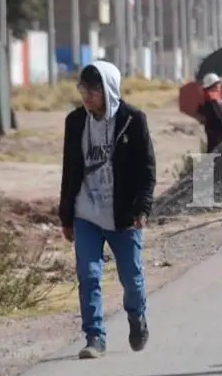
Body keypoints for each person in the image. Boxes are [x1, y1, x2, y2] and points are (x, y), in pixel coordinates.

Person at [58, 61, 156, 359]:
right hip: (86, 213)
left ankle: (137, 317)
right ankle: (95, 337)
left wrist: (143, 207)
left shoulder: (133, 120)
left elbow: (147, 168)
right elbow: (69, 170)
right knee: (88, 275)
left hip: (123, 215)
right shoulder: (75, 122)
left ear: (109, 89)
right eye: (83, 89)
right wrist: (65, 215)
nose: (87, 96)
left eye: (94, 90)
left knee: (131, 277)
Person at [199, 73, 222, 152]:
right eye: (218, 84)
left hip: (214, 136)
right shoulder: (213, 101)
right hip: (219, 138)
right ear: (214, 86)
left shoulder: (208, 99)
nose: (220, 86)